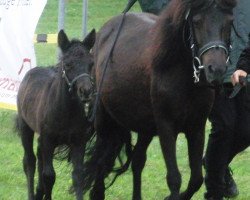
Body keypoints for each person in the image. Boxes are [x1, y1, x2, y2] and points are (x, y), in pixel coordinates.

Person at [204, 0, 250, 199]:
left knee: (246, 131)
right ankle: (214, 190)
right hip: (215, 74)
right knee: (224, 127)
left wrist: (245, 67)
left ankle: (214, 163)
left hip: (243, 75)